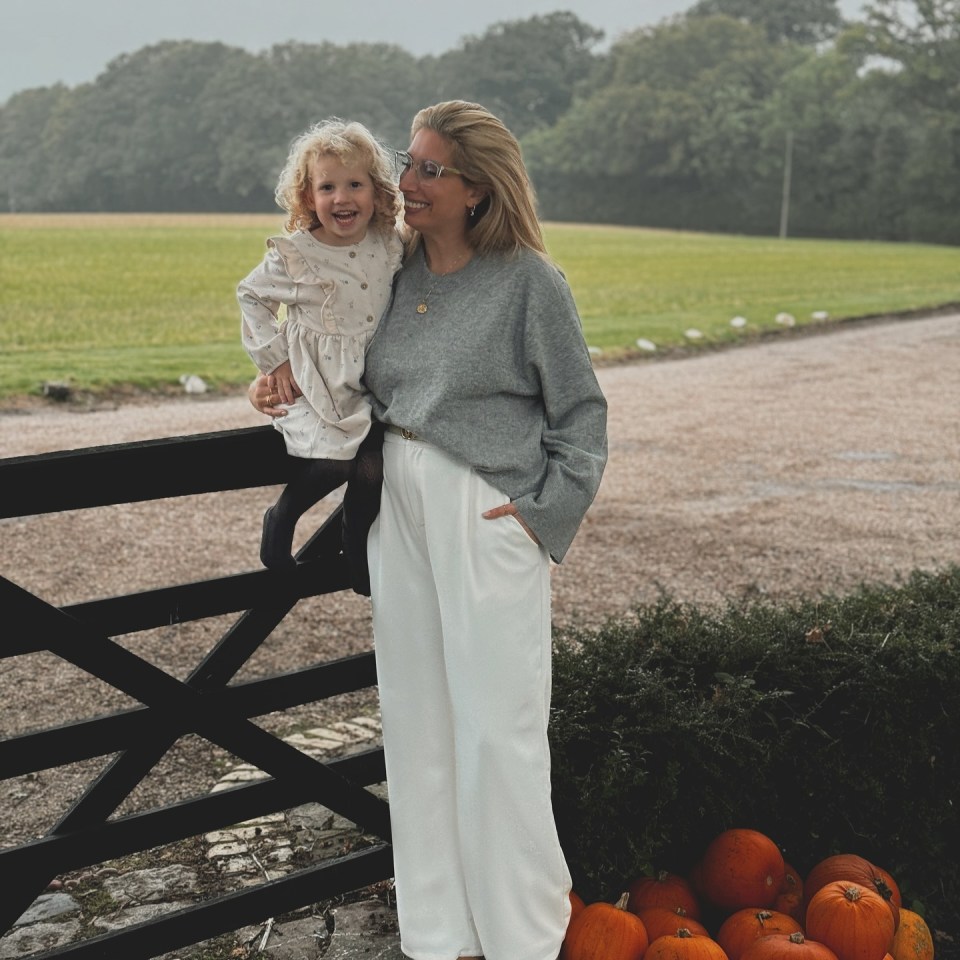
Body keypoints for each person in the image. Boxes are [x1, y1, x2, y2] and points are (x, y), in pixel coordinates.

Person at [252, 100, 607, 960]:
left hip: (483, 509)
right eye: (406, 165)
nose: (400, 183)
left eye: (424, 169)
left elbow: (582, 416)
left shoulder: (529, 282)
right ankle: (440, 935)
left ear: (476, 188)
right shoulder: (394, 266)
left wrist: (537, 517)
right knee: (418, 722)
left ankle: (525, 938)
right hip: (395, 504)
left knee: (498, 724)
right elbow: (319, 322)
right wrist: (278, 376)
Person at [238, 117, 404, 590]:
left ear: (376, 192)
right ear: (308, 197)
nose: (342, 197)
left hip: (368, 382)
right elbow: (252, 297)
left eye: (355, 184)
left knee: (371, 467)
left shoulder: (388, 244)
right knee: (336, 461)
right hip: (316, 383)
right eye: (327, 186)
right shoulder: (298, 254)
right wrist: (275, 361)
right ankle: (281, 519)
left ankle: (356, 553)